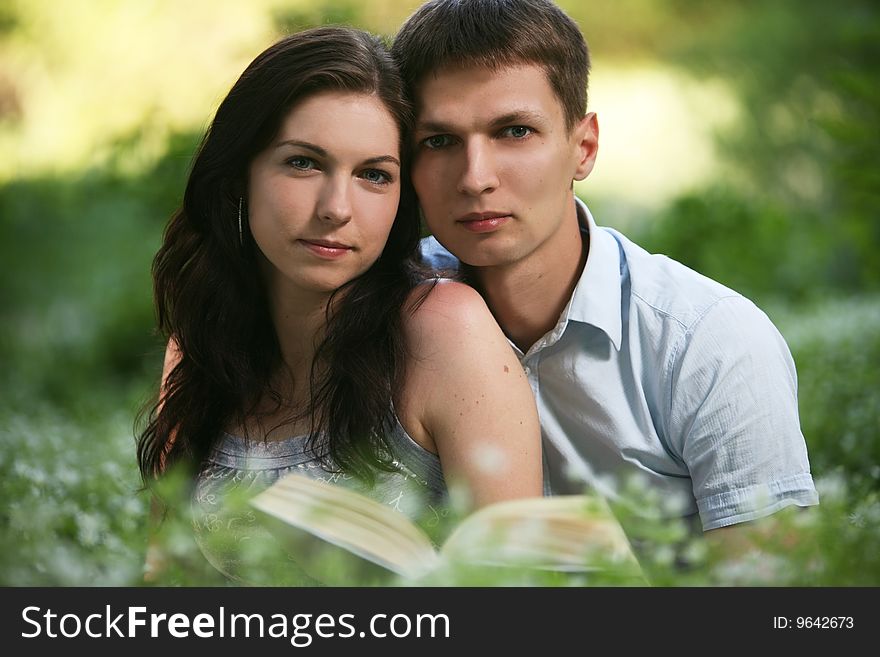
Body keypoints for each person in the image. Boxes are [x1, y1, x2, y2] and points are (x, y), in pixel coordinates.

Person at [391, 0, 819, 543]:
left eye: (515, 131)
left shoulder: (710, 341)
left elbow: (776, 601)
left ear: (584, 147)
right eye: (440, 141)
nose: (476, 178)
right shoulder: (386, 309)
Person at [137, 26, 543, 585]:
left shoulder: (444, 330)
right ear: (238, 178)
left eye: (374, 175)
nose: (336, 209)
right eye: (303, 163)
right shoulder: (201, 344)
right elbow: (164, 580)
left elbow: (518, 594)